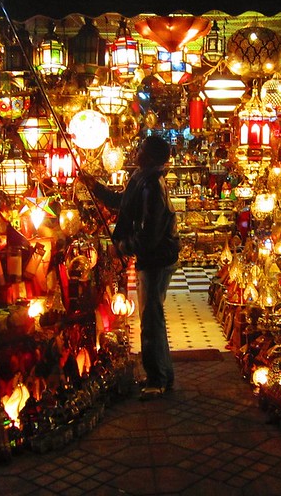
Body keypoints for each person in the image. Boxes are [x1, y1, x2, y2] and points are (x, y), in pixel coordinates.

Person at [79, 135, 180, 398]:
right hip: (155, 256)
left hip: (158, 259)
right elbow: (121, 201)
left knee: (150, 319)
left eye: (141, 150)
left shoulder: (152, 187)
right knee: (153, 318)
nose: (137, 153)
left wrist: (121, 247)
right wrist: (93, 185)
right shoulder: (142, 180)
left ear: (150, 157)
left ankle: (157, 379)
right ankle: (163, 375)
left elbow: (150, 235)